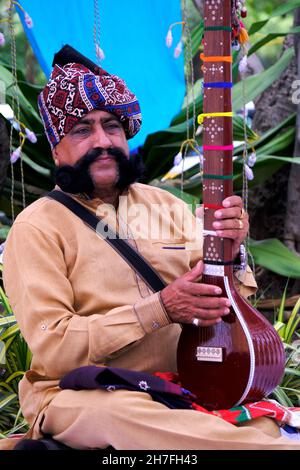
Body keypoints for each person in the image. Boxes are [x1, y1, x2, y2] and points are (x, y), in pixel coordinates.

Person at [2, 46, 299, 450]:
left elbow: (233, 301)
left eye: (112, 126)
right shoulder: (37, 227)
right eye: (82, 130)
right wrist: (159, 310)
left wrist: (229, 251)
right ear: (56, 149)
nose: (102, 141)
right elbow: (54, 348)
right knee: (117, 414)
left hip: (182, 390)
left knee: (257, 424)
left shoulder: (167, 206)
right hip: (86, 396)